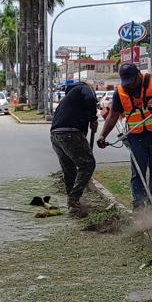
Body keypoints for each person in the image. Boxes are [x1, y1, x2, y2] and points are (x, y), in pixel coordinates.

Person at [97, 63, 152, 209]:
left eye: (131, 81)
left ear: (138, 75)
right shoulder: (120, 91)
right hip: (136, 136)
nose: (129, 85)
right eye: (126, 82)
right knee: (138, 171)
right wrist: (102, 135)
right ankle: (139, 204)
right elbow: (113, 115)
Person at [49, 80, 99, 216]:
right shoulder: (83, 88)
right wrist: (93, 118)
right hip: (70, 133)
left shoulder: (67, 100)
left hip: (55, 136)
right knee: (88, 164)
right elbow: (90, 98)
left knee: (69, 169)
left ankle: (73, 206)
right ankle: (74, 199)